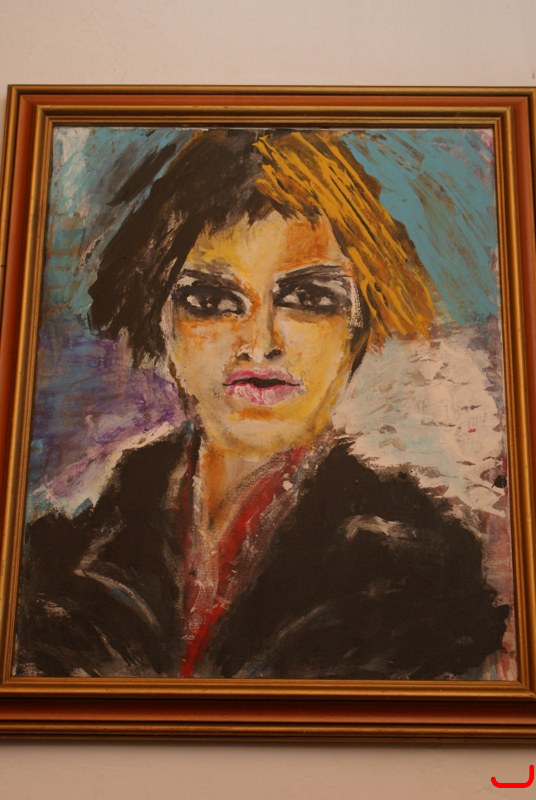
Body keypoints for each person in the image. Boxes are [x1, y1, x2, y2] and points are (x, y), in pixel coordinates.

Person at [14, 130, 508, 679]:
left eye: (308, 298)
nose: (259, 342)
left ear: (359, 328)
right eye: (210, 300)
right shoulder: (61, 554)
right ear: (159, 321)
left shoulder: (429, 574)